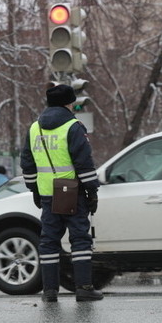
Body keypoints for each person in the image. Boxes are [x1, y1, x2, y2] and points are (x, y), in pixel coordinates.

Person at [20, 83, 102, 303]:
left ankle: (49, 292)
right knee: (80, 240)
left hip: (48, 194)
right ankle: (84, 288)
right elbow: (84, 163)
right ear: (69, 103)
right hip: (71, 193)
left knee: (48, 242)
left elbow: (27, 164)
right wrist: (92, 192)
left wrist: (34, 190)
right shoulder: (73, 127)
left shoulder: (34, 128)